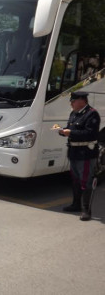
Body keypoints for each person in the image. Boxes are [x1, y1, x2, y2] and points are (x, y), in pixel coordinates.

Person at [58, 91, 100, 221]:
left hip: (86, 153)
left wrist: (70, 132)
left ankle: (86, 210)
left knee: (86, 181)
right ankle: (76, 205)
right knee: (75, 180)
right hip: (74, 152)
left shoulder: (92, 114)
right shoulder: (74, 113)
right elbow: (70, 129)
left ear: (82, 100)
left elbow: (90, 133)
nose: (71, 103)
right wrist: (62, 131)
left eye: (73, 101)